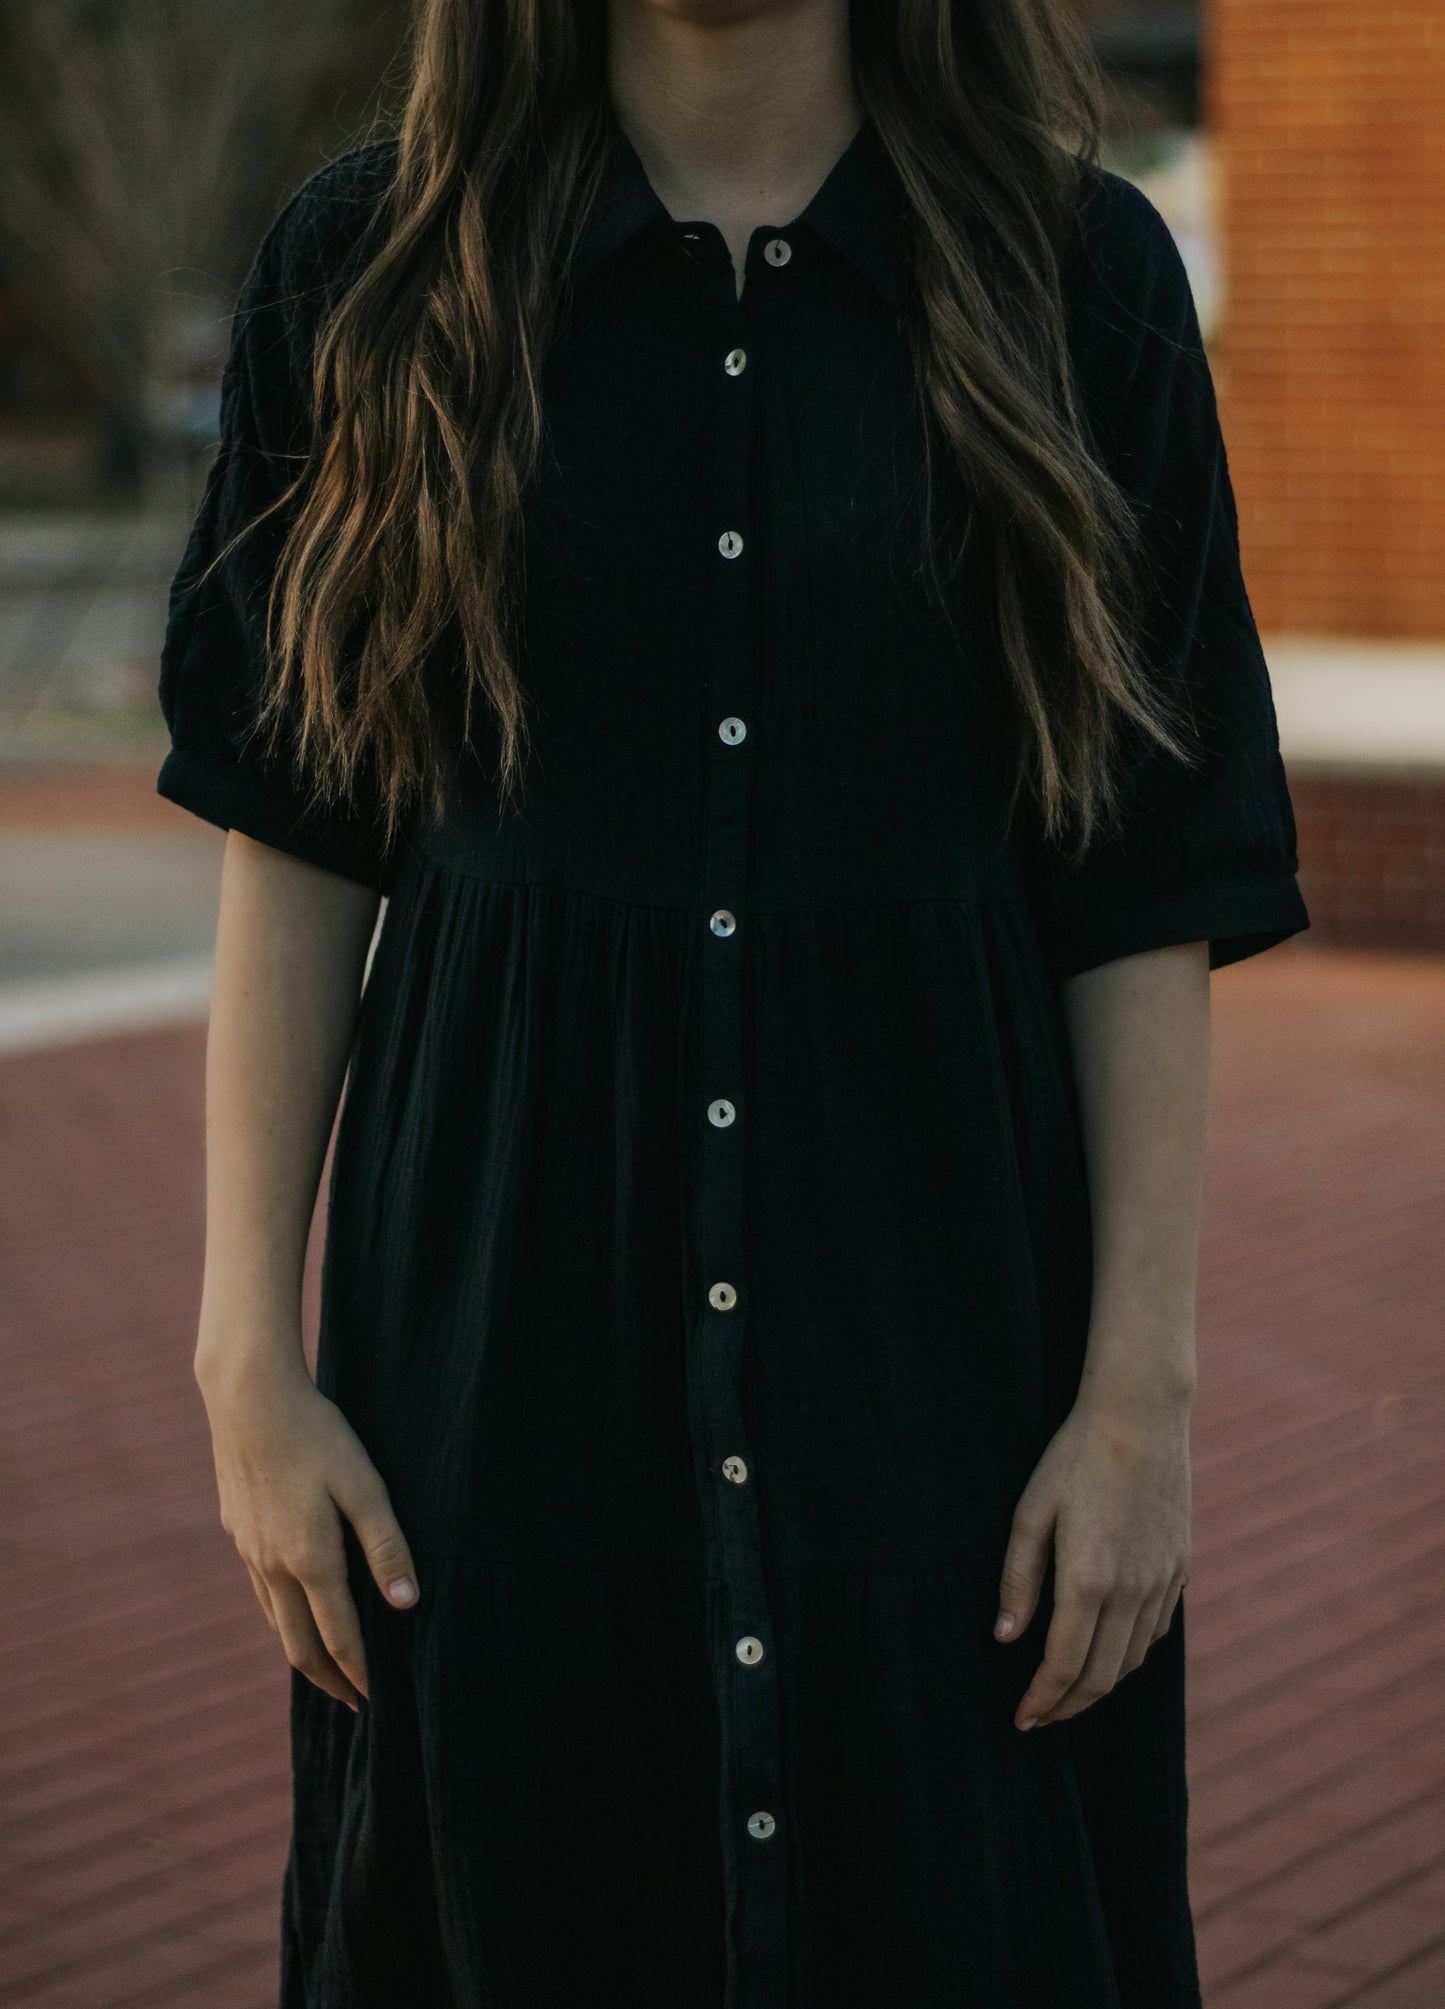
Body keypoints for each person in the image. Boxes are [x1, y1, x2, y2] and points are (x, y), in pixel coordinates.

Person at [156, 0, 1310, 2001]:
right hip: (492, 1397)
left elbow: (1144, 888)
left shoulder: (1079, 284)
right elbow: (298, 835)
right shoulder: (371, 273)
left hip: (949, 1387)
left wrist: (1143, 1403)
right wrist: (245, 1358)